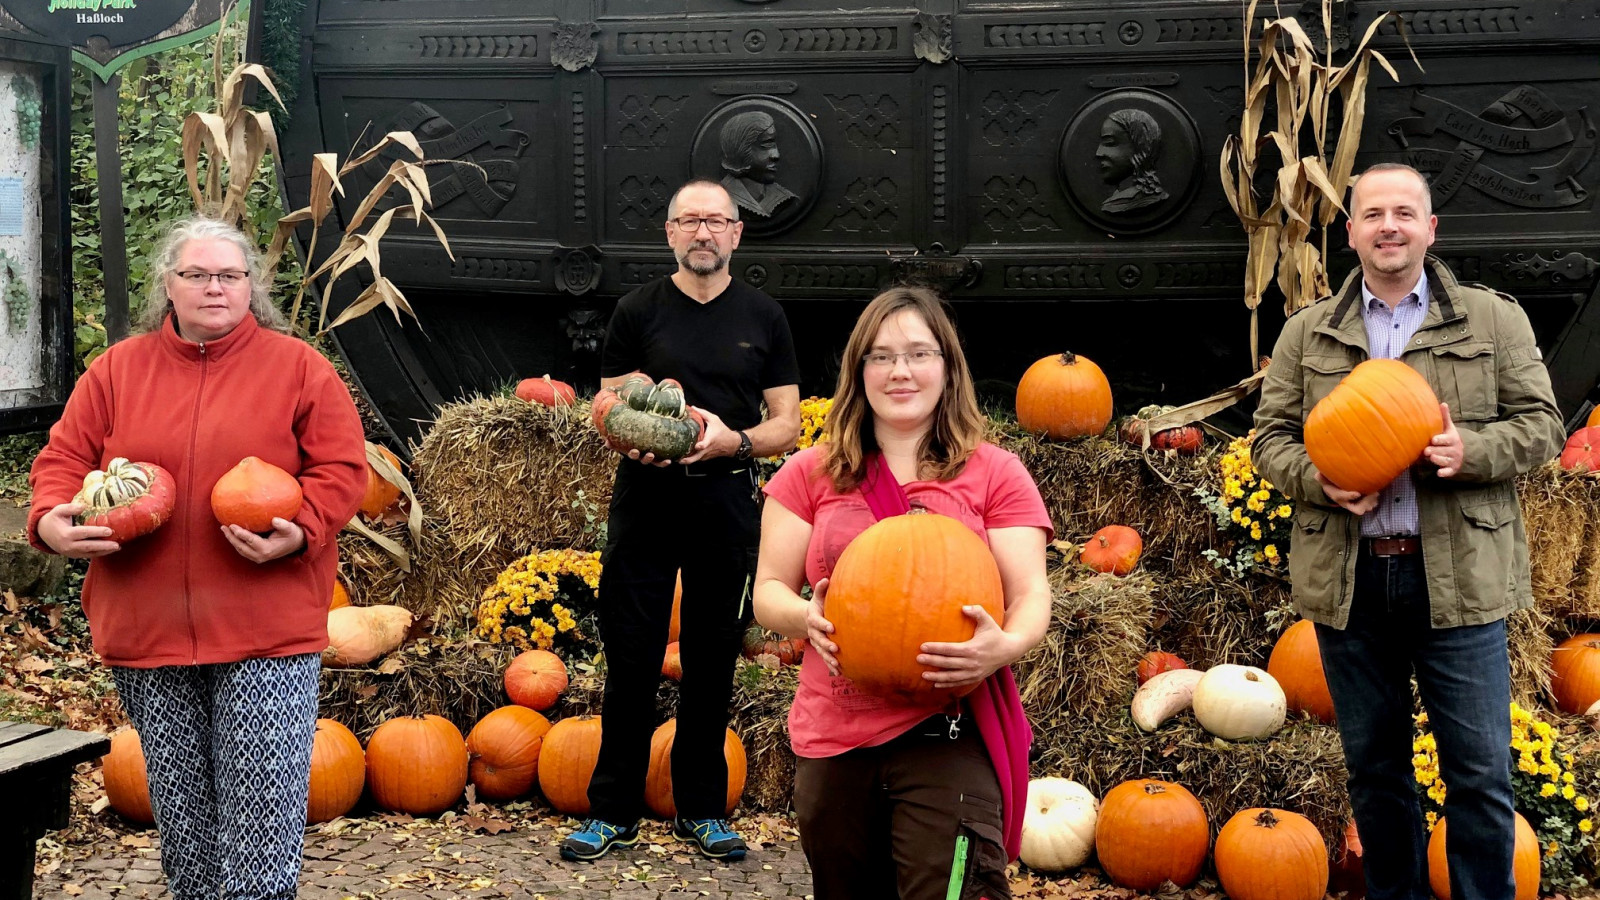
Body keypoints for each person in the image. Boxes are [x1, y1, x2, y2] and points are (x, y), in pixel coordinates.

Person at [28, 216, 368, 900]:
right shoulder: (117, 371)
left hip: (264, 629)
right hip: (147, 626)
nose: (214, 287)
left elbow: (341, 470)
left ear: (252, 288)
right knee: (187, 834)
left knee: (261, 833)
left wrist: (299, 529)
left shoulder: (300, 368)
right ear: (169, 285)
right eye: (197, 274)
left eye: (229, 275)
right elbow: (63, 460)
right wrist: (51, 522)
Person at [1253, 163, 1565, 900]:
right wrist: (1318, 481)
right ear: (1352, 232)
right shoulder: (1308, 332)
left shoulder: (1492, 320)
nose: (1388, 226)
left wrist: (1472, 451)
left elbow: (1545, 426)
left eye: (1404, 212)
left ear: (1431, 228)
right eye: (1371, 214)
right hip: (1354, 579)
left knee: (1480, 774)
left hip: (1456, 577)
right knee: (1377, 770)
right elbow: (1269, 439)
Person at [752, 286, 1052, 899]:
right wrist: (805, 618)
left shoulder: (995, 471)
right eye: (881, 356)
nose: (901, 371)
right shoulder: (808, 472)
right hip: (834, 735)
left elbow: (1030, 595)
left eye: (919, 353)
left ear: (948, 366)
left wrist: (1004, 645)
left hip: (948, 730)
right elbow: (768, 592)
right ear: (858, 371)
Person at [560, 179, 801, 862]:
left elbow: (786, 418)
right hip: (647, 495)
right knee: (631, 654)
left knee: (711, 655)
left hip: (724, 495)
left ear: (736, 234)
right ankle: (614, 811)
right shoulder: (637, 311)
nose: (703, 232)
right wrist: (627, 434)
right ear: (668, 232)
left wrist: (737, 442)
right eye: (690, 221)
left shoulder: (764, 316)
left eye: (716, 221)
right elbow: (609, 402)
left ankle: (701, 808)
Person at [718, 110, 797, 219]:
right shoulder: (718, 197)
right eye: (766, 145)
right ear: (741, 150)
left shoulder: (785, 198)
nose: (776, 155)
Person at [1096, 108, 1168, 213]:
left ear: (1140, 147)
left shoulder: (1141, 200)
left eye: (1109, 143)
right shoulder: (1116, 198)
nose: (1098, 153)